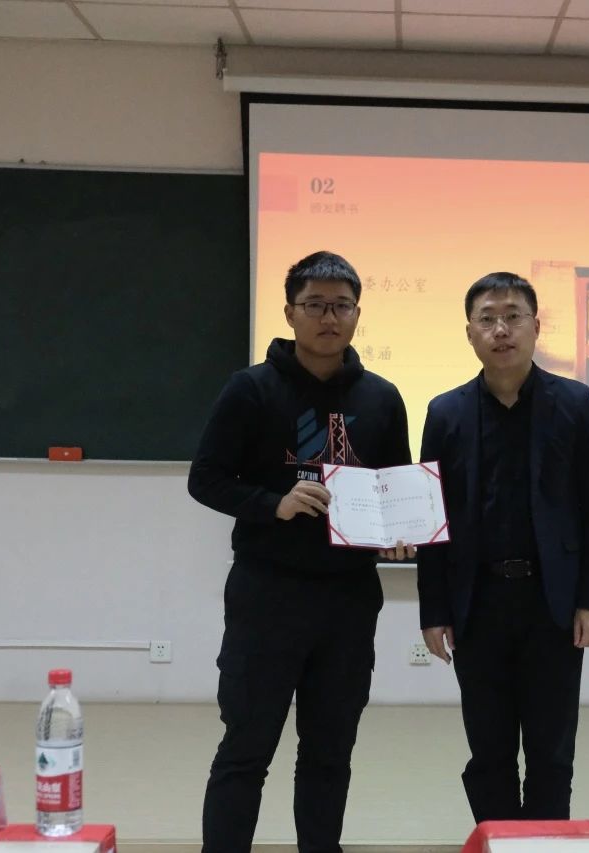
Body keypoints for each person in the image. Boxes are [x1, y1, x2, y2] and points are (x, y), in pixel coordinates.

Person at [188, 250, 414, 853]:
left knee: (330, 752)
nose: (329, 318)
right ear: (290, 313)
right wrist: (274, 504)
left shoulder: (382, 398)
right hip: (267, 593)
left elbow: (395, 487)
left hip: (349, 599)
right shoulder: (250, 390)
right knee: (246, 748)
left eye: (341, 306)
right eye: (315, 305)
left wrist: (400, 531)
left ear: (358, 313)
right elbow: (205, 479)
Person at [417, 271, 589, 822]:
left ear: (536, 326)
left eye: (513, 317)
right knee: (489, 751)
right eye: (487, 319)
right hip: (477, 603)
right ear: (469, 332)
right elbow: (432, 518)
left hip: (552, 604)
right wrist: (434, 611)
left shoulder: (575, 404)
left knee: (552, 751)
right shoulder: (446, 412)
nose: (501, 330)